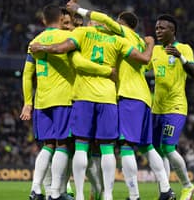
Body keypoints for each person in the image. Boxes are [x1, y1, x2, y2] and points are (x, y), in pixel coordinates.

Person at [29, 17, 155, 200]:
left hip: (83, 97)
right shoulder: (117, 39)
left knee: (80, 146)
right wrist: (149, 44)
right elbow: (143, 59)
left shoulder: (82, 33)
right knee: (107, 148)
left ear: (90, 23)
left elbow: (63, 51)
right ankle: (108, 195)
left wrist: (42, 47)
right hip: (108, 98)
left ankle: (78, 194)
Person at [65, 1, 175, 200]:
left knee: (125, 146)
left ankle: (133, 196)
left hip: (128, 96)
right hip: (144, 97)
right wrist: (150, 43)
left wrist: (79, 9)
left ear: (121, 24)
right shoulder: (140, 41)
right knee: (146, 146)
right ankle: (166, 189)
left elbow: (104, 19)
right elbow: (147, 62)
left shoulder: (122, 34)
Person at [20, 4, 114, 200]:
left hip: (42, 101)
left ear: (44, 20)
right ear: (61, 20)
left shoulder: (35, 41)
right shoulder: (69, 37)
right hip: (64, 98)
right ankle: (56, 192)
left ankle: (36, 189)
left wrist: (28, 102)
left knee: (47, 145)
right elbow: (79, 62)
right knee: (63, 145)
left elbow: (27, 74)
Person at [150, 14, 194, 200]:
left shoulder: (184, 48)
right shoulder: (154, 51)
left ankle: (187, 186)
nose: (158, 31)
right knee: (157, 149)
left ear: (172, 31)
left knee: (168, 147)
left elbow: (193, 73)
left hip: (176, 107)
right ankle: (166, 190)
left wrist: (181, 58)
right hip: (157, 109)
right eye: (156, 28)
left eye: (162, 28)